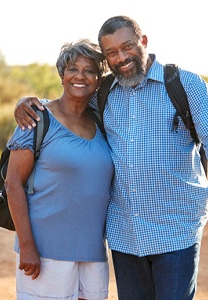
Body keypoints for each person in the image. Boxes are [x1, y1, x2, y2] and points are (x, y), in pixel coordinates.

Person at [13, 16, 208, 300]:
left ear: (143, 42)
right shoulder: (103, 92)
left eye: (127, 47)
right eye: (111, 53)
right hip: (124, 235)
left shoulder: (186, 85)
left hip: (176, 230)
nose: (121, 58)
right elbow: (69, 102)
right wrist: (28, 102)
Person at [5, 39, 114, 300]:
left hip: (93, 252)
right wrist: (28, 247)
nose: (80, 76)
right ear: (62, 75)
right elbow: (13, 184)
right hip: (46, 250)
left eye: (90, 70)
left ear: (98, 80)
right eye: (72, 69)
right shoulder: (37, 117)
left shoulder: (102, 120)